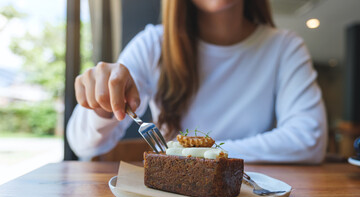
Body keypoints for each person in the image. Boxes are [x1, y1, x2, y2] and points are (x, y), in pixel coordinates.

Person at [67, 0, 328, 164]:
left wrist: (193, 155)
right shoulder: (153, 44)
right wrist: (102, 108)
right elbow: (83, 145)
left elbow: (308, 139)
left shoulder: (284, 47)